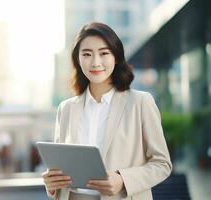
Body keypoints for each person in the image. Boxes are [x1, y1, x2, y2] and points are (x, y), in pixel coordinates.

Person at [42, 22, 172, 200]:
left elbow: (162, 164)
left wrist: (123, 179)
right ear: (77, 60)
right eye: (87, 54)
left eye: (104, 53)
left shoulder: (140, 103)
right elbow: (60, 167)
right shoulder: (66, 109)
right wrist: (51, 185)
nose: (95, 62)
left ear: (116, 57)